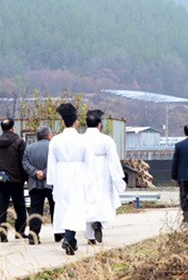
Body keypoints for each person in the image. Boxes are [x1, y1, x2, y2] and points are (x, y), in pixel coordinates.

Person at [46, 103, 91, 255]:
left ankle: (70, 240)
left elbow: (51, 163)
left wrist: (52, 181)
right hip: (78, 173)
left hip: (60, 175)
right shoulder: (82, 140)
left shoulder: (55, 140)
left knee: (63, 207)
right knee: (75, 207)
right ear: (76, 122)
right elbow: (89, 162)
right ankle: (69, 237)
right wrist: (89, 180)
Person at [81, 110, 126, 244]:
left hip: (85, 171)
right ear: (99, 125)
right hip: (103, 172)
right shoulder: (106, 140)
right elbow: (113, 160)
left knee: (87, 202)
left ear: (86, 125)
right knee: (103, 200)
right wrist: (118, 176)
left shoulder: (80, 139)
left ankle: (90, 236)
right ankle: (99, 223)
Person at [0, 118, 28, 242]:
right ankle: (20, 231)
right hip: (16, 180)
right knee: (20, 206)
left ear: (2, 128)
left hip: (0, 180)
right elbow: (23, 161)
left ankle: (2, 234)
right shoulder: (19, 142)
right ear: (12, 128)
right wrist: (25, 178)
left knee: (1, 206)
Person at [22, 126, 58, 245]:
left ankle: (33, 235)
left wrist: (35, 172)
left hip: (34, 183)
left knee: (35, 208)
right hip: (51, 183)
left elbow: (25, 163)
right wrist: (45, 172)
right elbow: (56, 163)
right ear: (48, 135)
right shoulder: (53, 147)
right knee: (55, 207)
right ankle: (58, 233)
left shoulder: (29, 148)